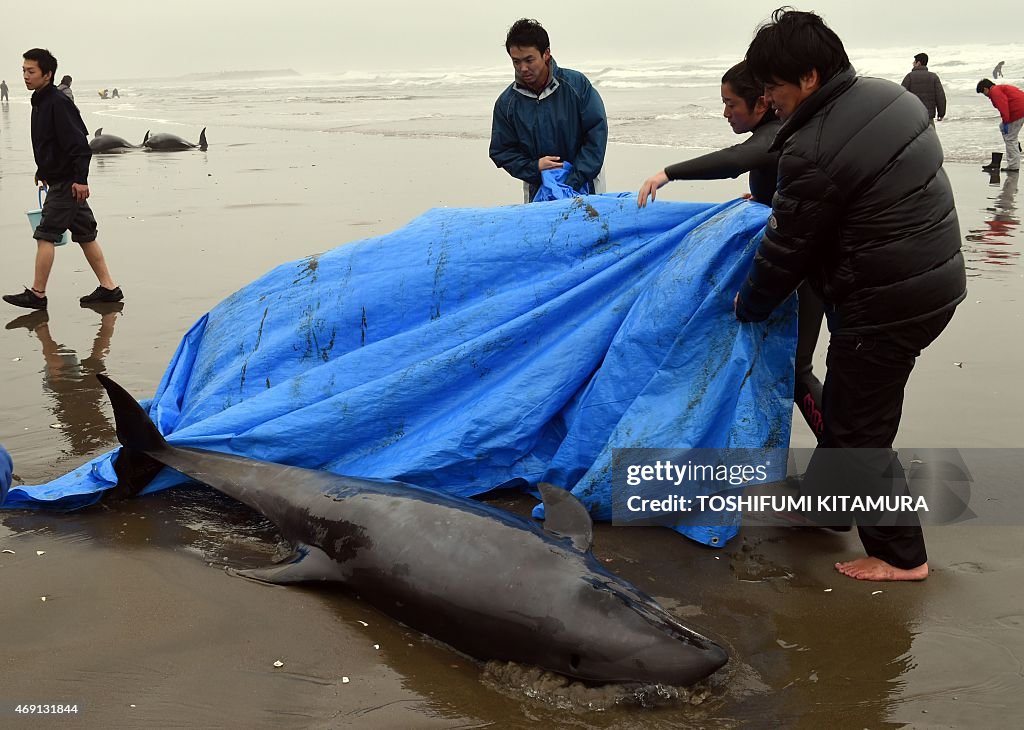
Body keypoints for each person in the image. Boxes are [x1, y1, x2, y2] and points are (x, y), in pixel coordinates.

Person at [736, 9, 966, 581]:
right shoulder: (890, 97)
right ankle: (827, 505)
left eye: (773, 89)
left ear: (809, 78)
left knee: (859, 429)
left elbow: (785, 252)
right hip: (934, 278)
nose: (769, 102)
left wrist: (748, 306)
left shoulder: (813, 147)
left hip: (886, 303)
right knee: (846, 409)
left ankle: (900, 556)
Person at [637, 60, 826, 439]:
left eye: (731, 104)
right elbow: (774, 176)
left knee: (798, 369)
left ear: (760, 103)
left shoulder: (774, 132)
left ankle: (849, 450)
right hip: (800, 262)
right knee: (791, 369)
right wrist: (761, 194)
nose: (725, 113)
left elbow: (739, 159)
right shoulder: (777, 132)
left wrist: (668, 172)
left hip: (806, 270)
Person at [3, 48, 123, 311]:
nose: (25, 75)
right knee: (85, 235)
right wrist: (42, 170)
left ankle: (37, 294)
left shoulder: (57, 102)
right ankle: (109, 288)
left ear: (48, 74)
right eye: (23, 70)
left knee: (45, 234)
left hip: (67, 184)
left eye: (31, 71)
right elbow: (50, 143)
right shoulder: (40, 100)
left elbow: (80, 144)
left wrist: (80, 180)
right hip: (62, 179)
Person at [489, 18, 608, 203]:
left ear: (546, 54)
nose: (523, 68)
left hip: (587, 183)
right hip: (538, 187)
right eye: (516, 61)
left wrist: (572, 180)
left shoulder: (577, 86)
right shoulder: (507, 103)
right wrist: (534, 167)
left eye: (529, 60)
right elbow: (501, 151)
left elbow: (596, 134)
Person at [976, 79, 1024, 173]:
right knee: (1003, 128)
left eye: (983, 92)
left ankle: (1013, 166)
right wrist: (1005, 123)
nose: (985, 95)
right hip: (1020, 109)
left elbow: (1003, 106)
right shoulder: (999, 89)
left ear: (986, 89)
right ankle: (1015, 145)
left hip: (1018, 111)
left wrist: (1006, 121)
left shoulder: (995, 92)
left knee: (1010, 139)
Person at [900, 53, 946, 123]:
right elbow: (940, 97)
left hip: (914, 115)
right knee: (929, 133)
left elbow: (902, 96)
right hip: (928, 116)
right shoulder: (933, 77)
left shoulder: (909, 77)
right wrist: (941, 113)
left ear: (918, 63)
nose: (913, 63)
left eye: (914, 62)